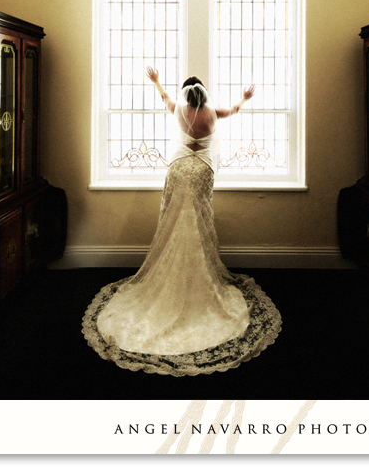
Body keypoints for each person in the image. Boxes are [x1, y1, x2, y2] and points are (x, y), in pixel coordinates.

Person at [82, 70, 281, 376]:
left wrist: (155, 80)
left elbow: (164, 97)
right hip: (202, 168)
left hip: (177, 167)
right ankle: (200, 273)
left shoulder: (177, 108)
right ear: (203, 95)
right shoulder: (213, 113)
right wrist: (245, 97)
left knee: (174, 220)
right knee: (199, 221)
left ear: (186, 93)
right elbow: (236, 110)